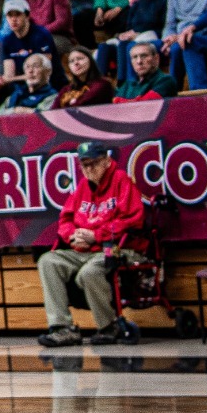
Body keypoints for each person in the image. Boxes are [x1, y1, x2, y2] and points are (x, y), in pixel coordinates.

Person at [35, 141, 145, 347]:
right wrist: (72, 237)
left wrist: (97, 236)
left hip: (117, 248)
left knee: (90, 271)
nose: (89, 169)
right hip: (84, 250)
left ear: (107, 161)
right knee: (48, 261)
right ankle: (62, 328)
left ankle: (108, 326)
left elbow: (132, 220)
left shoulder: (121, 181)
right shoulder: (82, 188)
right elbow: (65, 220)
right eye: (84, 165)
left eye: (94, 163)